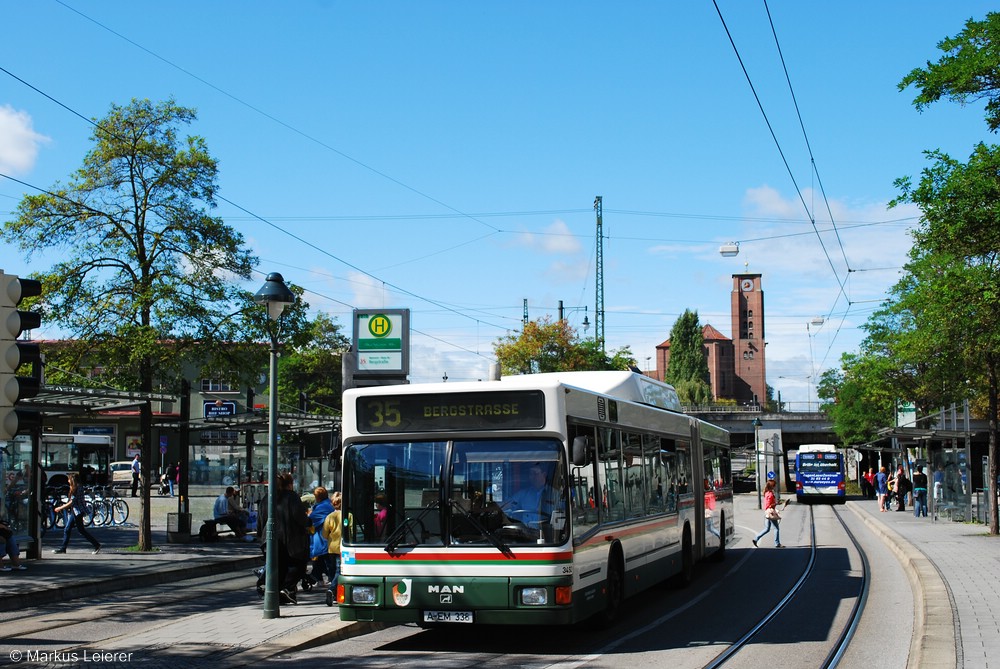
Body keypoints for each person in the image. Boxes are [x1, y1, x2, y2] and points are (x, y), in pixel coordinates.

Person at [274, 473, 310, 604]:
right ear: (290, 484)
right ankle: (286, 588)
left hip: (273, 539)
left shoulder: (270, 496)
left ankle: (280, 593)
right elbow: (300, 516)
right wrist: (308, 522)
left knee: (280, 567)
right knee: (299, 566)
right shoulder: (292, 497)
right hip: (292, 540)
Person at [53, 474, 102, 554]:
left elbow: (72, 502)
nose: (68, 481)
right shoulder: (79, 487)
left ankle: (96, 545)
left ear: (72, 480)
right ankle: (63, 548)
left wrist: (60, 508)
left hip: (77, 511)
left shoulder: (76, 488)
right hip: (77, 511)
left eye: (69, 479)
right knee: (71, 529)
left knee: (74, 529)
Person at [307, 487, 334, 586]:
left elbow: (311, 520)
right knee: (321, 560)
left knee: (323, 560)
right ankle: (317, 578)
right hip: (323, 539)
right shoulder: (326, 505)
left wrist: (309, 515)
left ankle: (328, 579)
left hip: (322, 538)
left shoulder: (323, 507)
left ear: (317, 497)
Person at [321, 491, 344, 607]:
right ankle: (332, 590)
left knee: (332, 571)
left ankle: (334, 594)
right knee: (339, 572)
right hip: (342, 548)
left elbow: (324, 534)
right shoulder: (348, 515)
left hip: (331, 548)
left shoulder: (329, 517)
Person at [752, 479, 783, 548]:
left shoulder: (766, 493)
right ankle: (777, 543)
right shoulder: (770, 494)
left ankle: (756, 539)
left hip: (767, 512)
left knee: (767, 529)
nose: (775, 487)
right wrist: (776, 503)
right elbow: (769, 505)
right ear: (772, 486)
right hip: (770, 512)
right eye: (774, 485)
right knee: (776, 529)